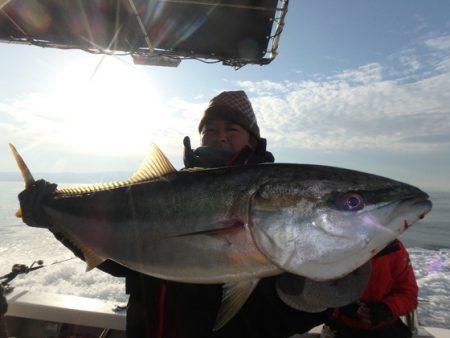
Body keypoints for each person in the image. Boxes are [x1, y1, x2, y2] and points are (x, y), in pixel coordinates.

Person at [18, 90, 328, 338]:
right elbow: (122, 261)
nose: (219, 136)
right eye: (210, 130)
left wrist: (314, 296)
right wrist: (55, 222)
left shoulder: (282, 204)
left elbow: (283, 318)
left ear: (252, 139)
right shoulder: (164, 190)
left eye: (231, 129)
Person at [321, 239, 418, 338]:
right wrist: (345, 307)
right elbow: (318, 291)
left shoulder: (394, 248)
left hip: (386, 327)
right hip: (341, 325)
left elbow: (409, 294)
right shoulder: (334, 247)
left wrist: (387, 309)